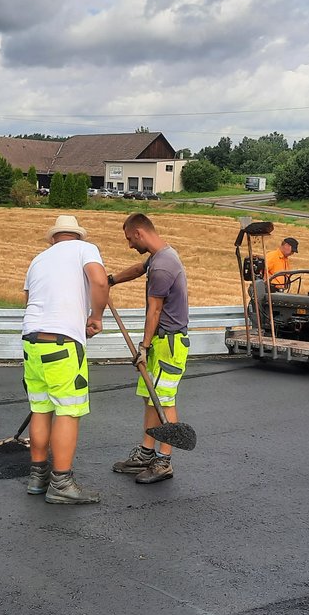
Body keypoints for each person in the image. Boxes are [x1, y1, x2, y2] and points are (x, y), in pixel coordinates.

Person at [22, 214, 109, 504]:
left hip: (32, 342)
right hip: (63, 343)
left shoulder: (38, 259)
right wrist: (95, 316)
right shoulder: (86, 249)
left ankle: (38, 476)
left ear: (54, 238)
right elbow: (99, 280)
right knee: (68, 411)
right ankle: (61, 483)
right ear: (78, 236)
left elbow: (28, 300)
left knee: (40, 407)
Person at [107, 213, 190, 484]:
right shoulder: (158, 257)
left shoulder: (163, 266)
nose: (130, 244)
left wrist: (143, 346)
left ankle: (163, 461)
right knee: (149, 398)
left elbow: (154, 310)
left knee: (164, 400)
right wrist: (112, 280)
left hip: (169, 343)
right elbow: (138, 269)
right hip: (159, 342)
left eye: (131, 239)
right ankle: (146, 453)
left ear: (140, 233)